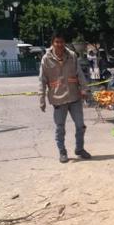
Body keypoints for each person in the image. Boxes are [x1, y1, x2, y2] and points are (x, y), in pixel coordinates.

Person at [39, 31, 92, 163]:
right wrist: (42, 99)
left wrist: (85, 89)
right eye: (57, 42)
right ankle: (62, 152)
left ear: (64, 43)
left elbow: (79, 74)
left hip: (74, 97)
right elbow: (42, 80)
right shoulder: (46, 59)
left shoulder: (72, 56)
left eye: (61, 42)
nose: (59, 44)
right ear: (52, 43)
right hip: (58, 99)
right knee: (60, 127)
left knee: (81, 126)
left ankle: (79, 149)